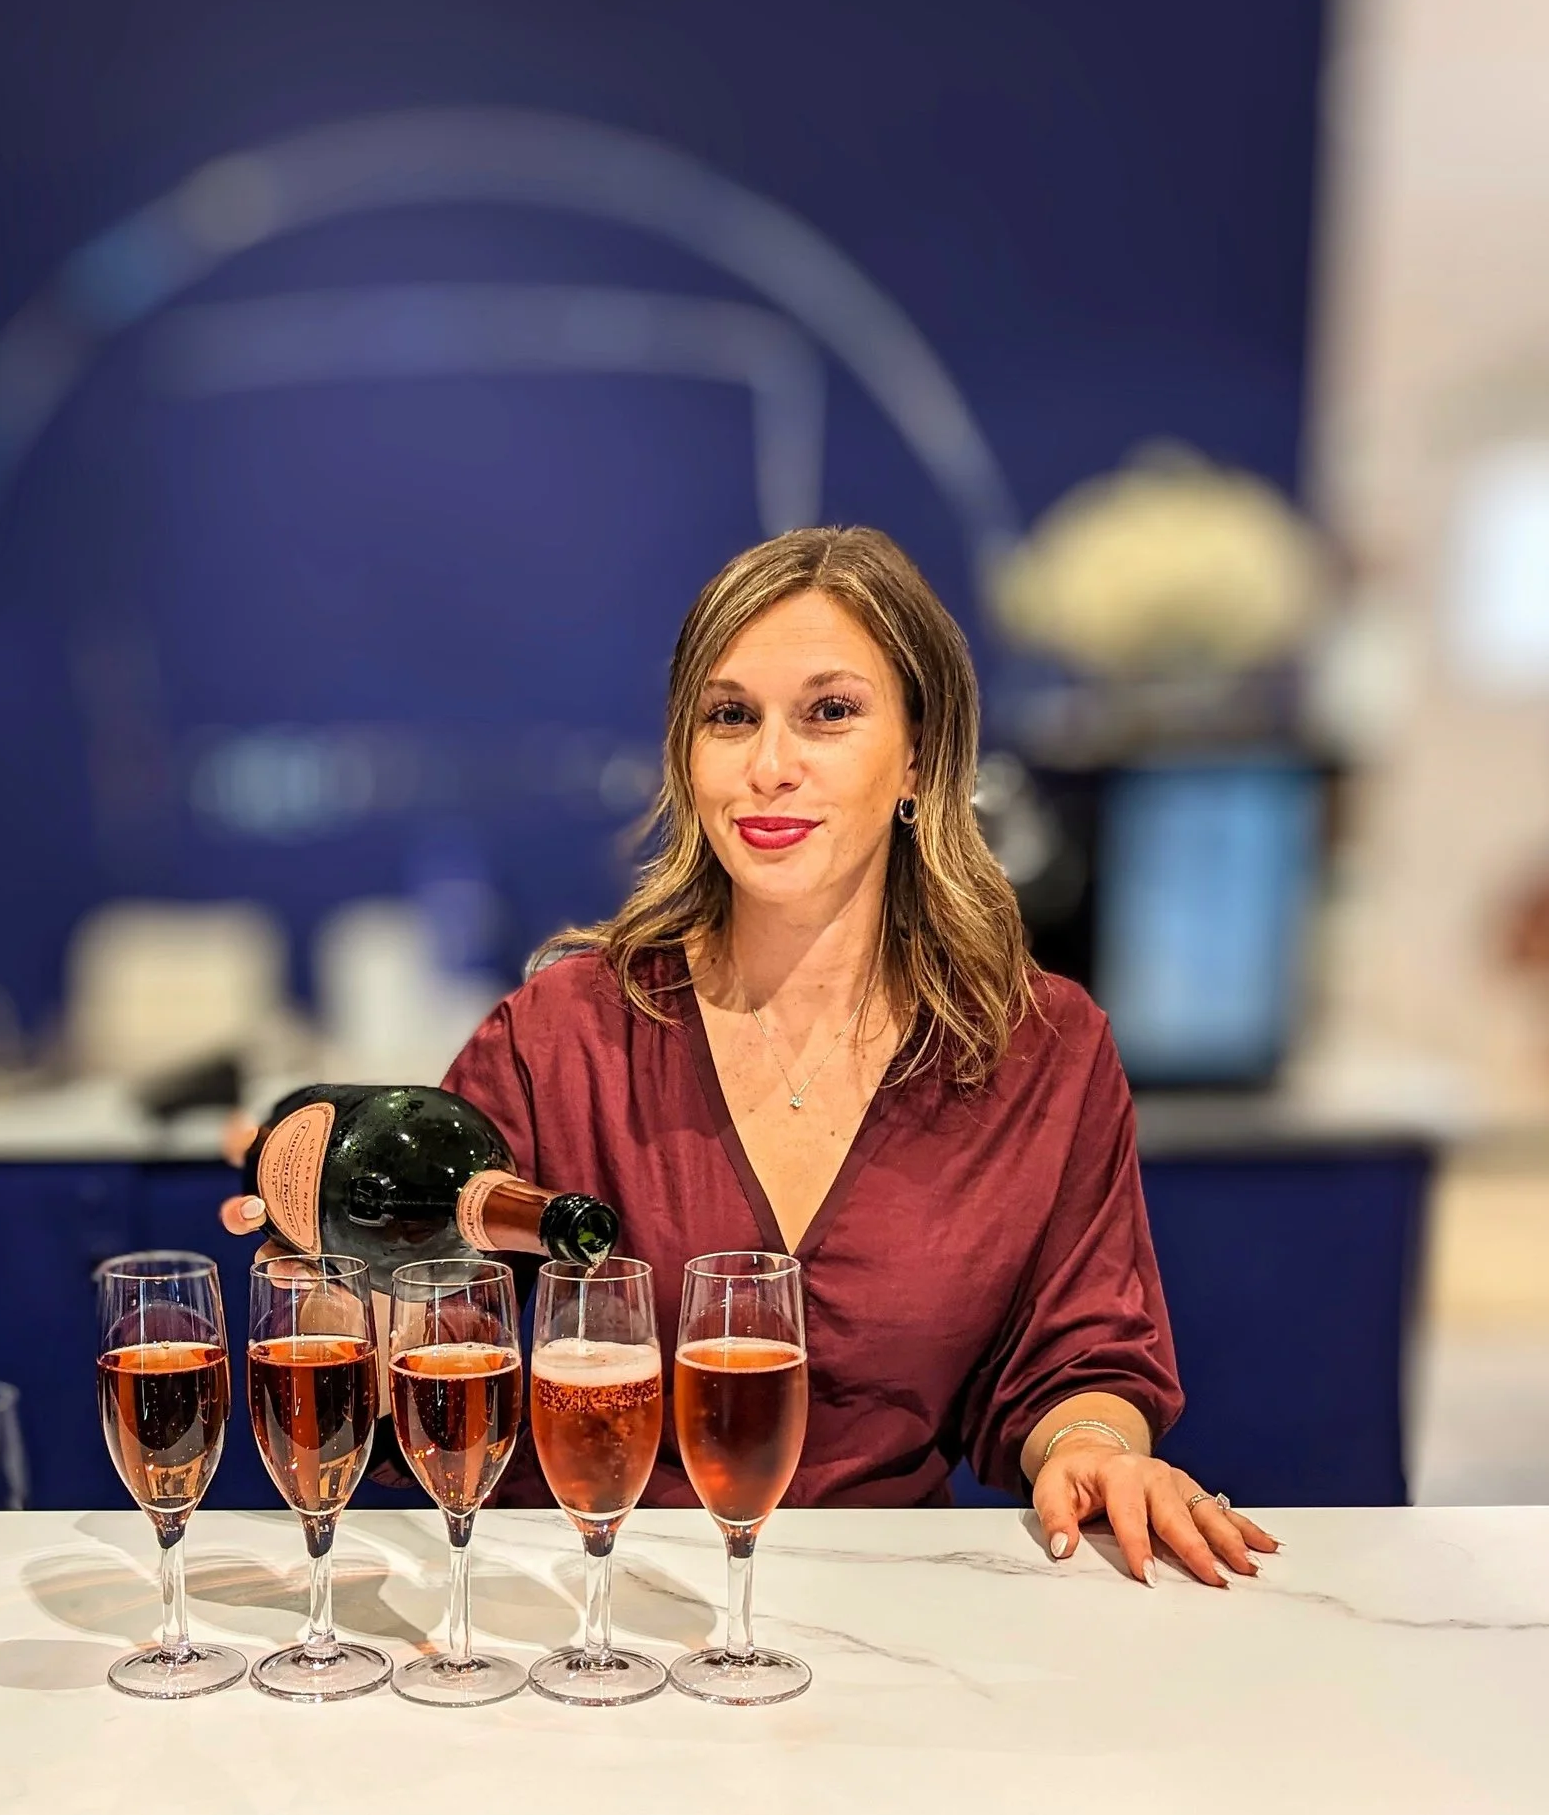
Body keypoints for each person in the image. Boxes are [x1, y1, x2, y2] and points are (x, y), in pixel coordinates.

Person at [443, 524, 1274, 1585]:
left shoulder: (1040, 1050)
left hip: (883, 1630)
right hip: (587, 1629)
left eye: (829, 713)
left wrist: (1097, 1453)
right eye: (729, 716)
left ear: (920, 755)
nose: (769, 765)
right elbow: (426, 1325)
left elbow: (1078, 1356)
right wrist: (330, 1260)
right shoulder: (559, 1035)